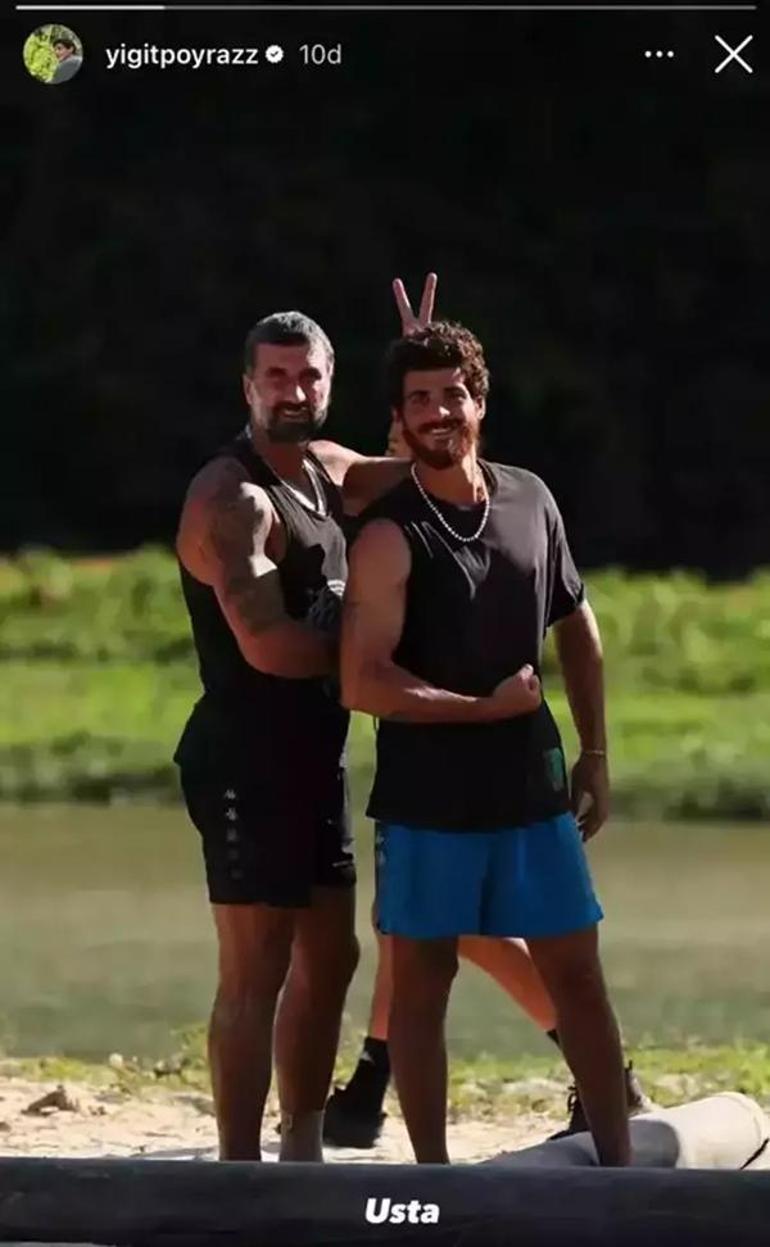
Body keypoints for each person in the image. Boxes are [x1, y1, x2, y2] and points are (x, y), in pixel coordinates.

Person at [340, 320, 631, 1166]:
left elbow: (578, 627)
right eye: (420, 399)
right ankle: (434, 1179)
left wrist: (596, 753)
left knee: (579, 974)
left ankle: (619, 1169)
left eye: (453, 394)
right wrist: (480, 708)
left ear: (480, 400)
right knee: (423, 986)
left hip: (532, 787)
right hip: (427, 800)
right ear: (400, 420)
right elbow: (361, 681)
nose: (439, 411)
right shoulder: (390, 533)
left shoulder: (531, 498)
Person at [174, 288, 431, 1162]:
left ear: (329, 382)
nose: (293, 390)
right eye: (276, 377)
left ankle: (304, 1148)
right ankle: (238, 1169)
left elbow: (430, 471)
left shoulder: (325, 467)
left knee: (334, 957)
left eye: (308, 376)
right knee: (258, 968)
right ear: (248, 386)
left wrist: (420, 374)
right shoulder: (233, 496)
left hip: (317, 753)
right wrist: (372, 655)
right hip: (244, 755)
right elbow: (270, 646)